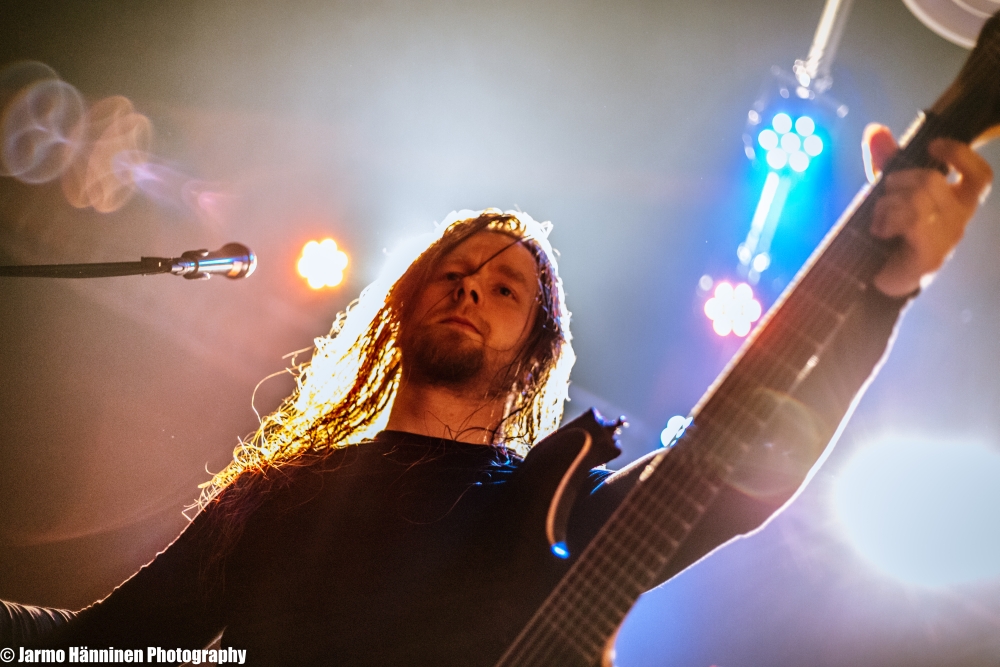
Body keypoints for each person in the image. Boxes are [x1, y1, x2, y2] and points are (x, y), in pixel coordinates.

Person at [0, 126, 993, 665]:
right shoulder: (275, 496)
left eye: (505, 286)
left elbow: (742, 474)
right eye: (453, 271)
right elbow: (90, 649)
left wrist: (881, 297)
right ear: (400, 310)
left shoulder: (548, 504)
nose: (471, 286)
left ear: (535, 351)